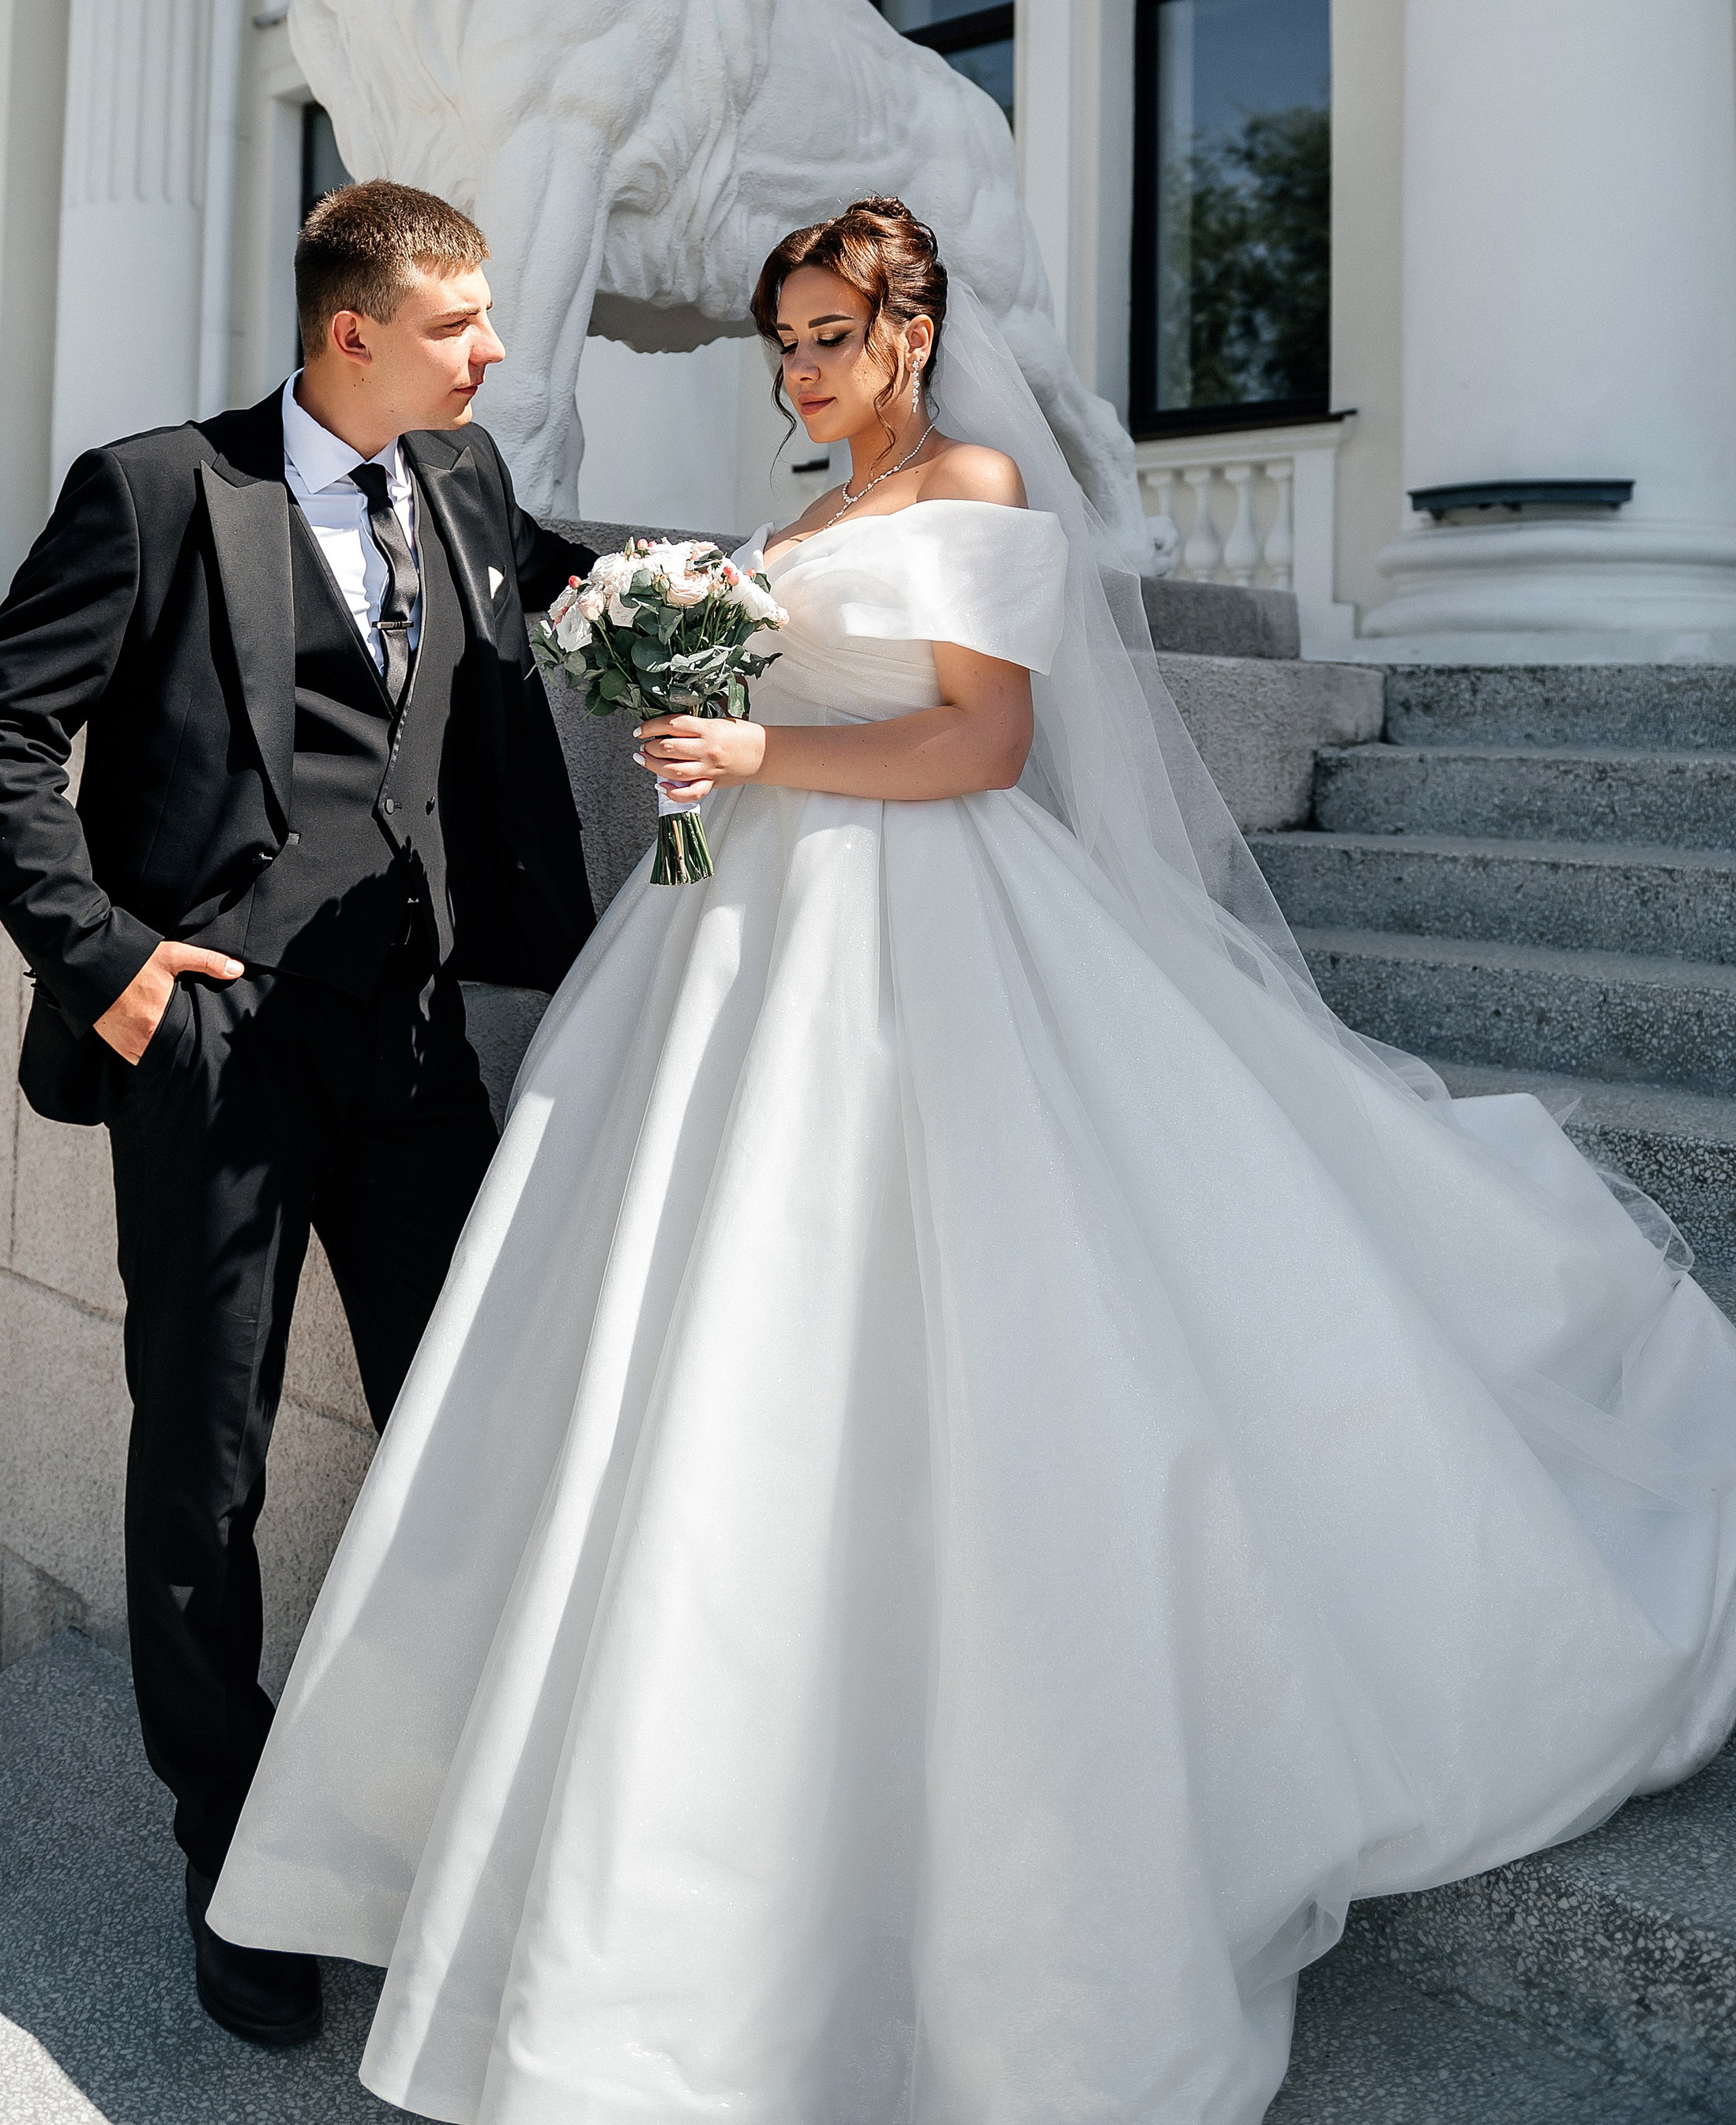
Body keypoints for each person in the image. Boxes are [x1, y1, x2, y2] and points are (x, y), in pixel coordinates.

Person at [209, 195, 1736, 2123]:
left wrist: (756, 758)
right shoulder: (791, 526)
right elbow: (779, 704)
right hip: (731, 940)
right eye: (785, 342)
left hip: (932, 930)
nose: (804, 368)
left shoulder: (978, 481)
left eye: (832, 333)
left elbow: (981, 744)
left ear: (911, 331)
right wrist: (701, 728)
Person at [0, 180, 597, 2050]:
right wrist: (112, 961)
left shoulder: (461, 486)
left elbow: (579, 589)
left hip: (406, 1049)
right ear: (351, 336)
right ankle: (227, 1846)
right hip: (211, 1054)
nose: (493, 353)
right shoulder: (157, 490)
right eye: (462, 325)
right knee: (203, 1467)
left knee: (461, 1428)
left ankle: (443, 1811)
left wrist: (792, 592)